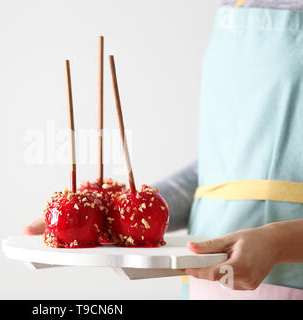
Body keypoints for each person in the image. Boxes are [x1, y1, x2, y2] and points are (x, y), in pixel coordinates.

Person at [25, 0, 303, 299]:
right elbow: (221, 169)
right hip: (207, 270)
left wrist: (279, 242)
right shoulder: (234, 7)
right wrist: (121, 213)